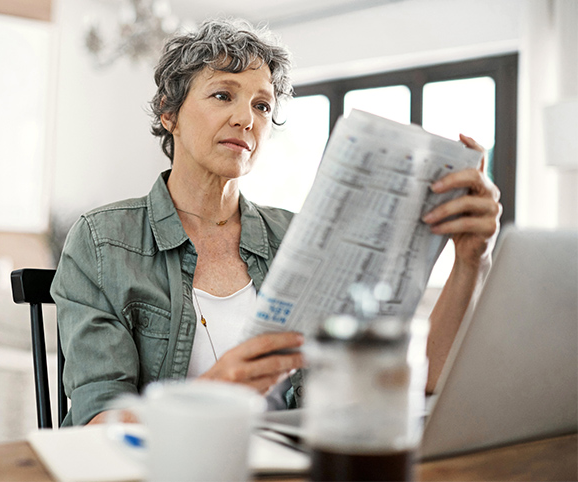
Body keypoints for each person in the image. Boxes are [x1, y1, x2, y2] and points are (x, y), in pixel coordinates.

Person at [51, 19, 502, 427]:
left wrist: (469, 261)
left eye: (263, 106)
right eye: (223, 95)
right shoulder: (102, 241)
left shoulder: (299, 236)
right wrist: (213, 393)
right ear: (169, 114)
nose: (246, 118)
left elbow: (408, 385)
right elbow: (98, 424)